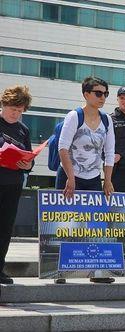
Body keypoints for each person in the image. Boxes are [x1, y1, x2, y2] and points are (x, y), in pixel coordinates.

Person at [55, 77, 115, 284]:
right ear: (86, 94)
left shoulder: (106, 120)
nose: (102, 97)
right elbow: (62, 147)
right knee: (65, 223)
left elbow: (109, 151)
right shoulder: (74, 116)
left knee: (95, 225)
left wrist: (107, 180)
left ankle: (97, 273)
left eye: (105, 94)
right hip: (70, 176)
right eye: (98, 93)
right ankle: (60, 272)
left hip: (92, 178)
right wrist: (70, 177)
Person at [0, 85, 33, 285]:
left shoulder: (23, 130)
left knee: (5, 228)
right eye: (13, 109)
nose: (16, 114)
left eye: (20, 111)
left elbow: (29, 157)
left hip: (13, 184)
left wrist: (28, 163)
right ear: (4, 105)